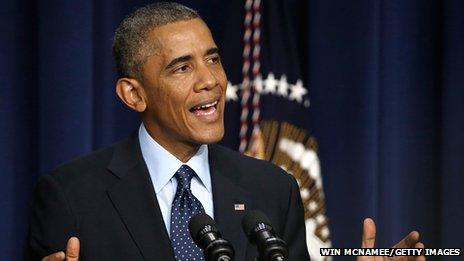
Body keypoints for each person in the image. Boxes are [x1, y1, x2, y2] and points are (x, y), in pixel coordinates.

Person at [28, 2, 425, 261]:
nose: (211, 81)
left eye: (213, 59)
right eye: (182, 67)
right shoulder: (71, 196)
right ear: (134, 94)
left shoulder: (273, 188)